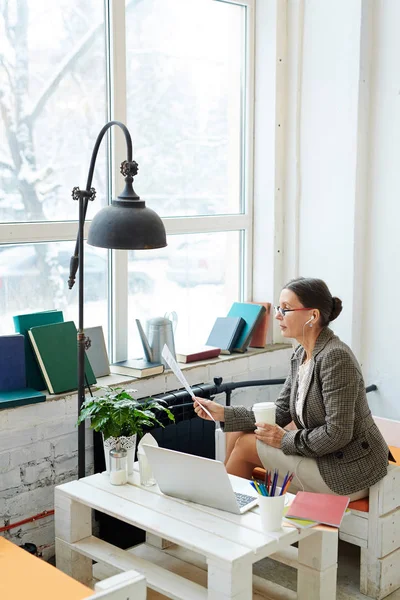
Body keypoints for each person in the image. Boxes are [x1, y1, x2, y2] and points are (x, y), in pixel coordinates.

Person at [194, 277, 389, 500]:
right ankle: (236, 508)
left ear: (312, 316)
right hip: (323, 453)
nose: (277, 315)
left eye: (286, 309)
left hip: (348, 467)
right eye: (279, 308)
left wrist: (283, 439)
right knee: (236, 430)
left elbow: (338, 434)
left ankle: (226, 512)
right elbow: (280, 412)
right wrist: (222, 413)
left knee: (246, 445)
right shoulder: (300, 354)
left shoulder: (336, 357)